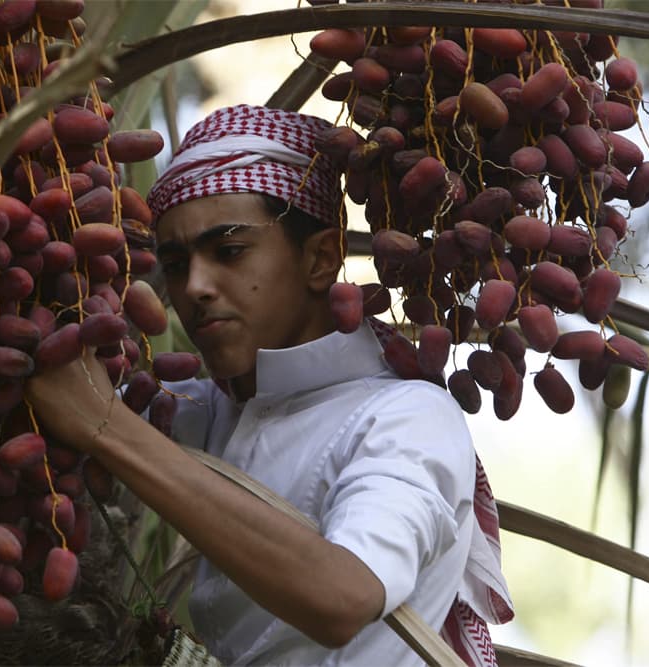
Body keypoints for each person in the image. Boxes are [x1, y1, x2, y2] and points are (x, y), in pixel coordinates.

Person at [26, 104, 513, 666]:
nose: (195, 288)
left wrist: (104, 425)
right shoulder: (211, 409)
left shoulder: (408, 416)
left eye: (229, 251)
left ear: (321, 258)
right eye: (177, 264)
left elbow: (343, 594)